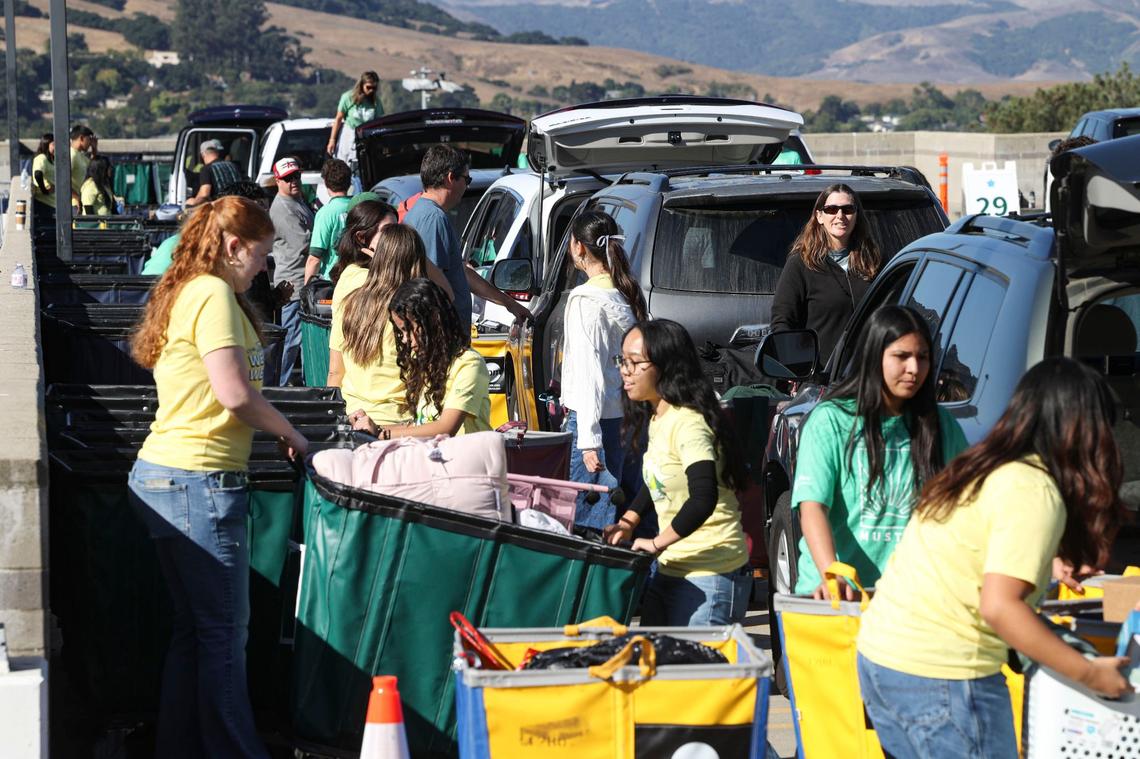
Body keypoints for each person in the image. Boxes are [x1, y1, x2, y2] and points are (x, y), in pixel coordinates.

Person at [856, 358, 1133, 758]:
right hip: (944, 676)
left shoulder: (980, 468)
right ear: (1080, 432)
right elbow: (1000, 607)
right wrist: (1092, 675)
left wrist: (1052, 559)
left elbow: (969, 556)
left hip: (883, 661)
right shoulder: (1034, 488)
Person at [127, 195, 309, 758]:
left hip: (166, 476)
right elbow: (234, 394)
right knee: (225, 636)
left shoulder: (193, 289)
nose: (264, 266)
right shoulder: (210, 295)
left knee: (196, 633)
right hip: (197, 481)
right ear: (233, 247)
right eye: (259, 253)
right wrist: (293, 434)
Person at [791, 305, 967, 600]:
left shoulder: (940, 425)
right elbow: (812, 507)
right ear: (874, 358)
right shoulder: (830, 420)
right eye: (901, 356)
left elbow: (970, 506)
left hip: (910, 600)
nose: (914, 368)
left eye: (922, 357)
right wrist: (830, 571)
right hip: (836, 600)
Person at [604, 319, 752, 626]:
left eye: (635, 362)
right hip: (673, 567)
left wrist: (656, 543)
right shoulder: (660, 414)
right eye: (622, 361)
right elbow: (657, 479)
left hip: (711, 573)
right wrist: (629, 521)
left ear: (666, 365)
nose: (625, 370)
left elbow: (703, 497)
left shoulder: (689, 423)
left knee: (695, 674)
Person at [560, 210, 649, 529]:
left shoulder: (585, 300)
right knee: (631, 518)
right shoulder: (625, 292)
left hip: (596, 421)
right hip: (631, 417)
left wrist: (588, 440)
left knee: (593, 526)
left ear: (578, 247)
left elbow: (590, 374)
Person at [404, 144, 530, 332]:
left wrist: (508, 303)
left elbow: (461, 272)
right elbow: (431, 287)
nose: (466, 185)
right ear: (450, 178)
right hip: (443, 338)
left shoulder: (422, 214)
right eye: (466, 179)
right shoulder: (434, 219)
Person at [350, 277, 491, 439]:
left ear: (432, 322)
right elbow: (419, 426)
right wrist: (368, 427)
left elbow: (446, 428)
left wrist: (382, 434)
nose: (404, 339)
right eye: (400, 331)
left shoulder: (469, 364)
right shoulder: (429, 364)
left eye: (407, 329)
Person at [770, 184, 881, 364]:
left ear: (857, 215)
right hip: (820, 377)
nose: (840, 216)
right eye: (831, 209)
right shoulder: (801, 264)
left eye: (848, 209)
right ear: (819, 216)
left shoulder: (874, 261)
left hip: (868, 372)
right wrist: (794, 364)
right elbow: (782, 322)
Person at [335, 224, 429, 426]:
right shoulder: (413, 311)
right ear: (416, 262)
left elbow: (336, 368)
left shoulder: (350, 303)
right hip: (399, 423)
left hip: (353, 417)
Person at [326, 200, 398, 387]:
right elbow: (336, 366)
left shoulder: (356, 274)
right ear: (361, 237)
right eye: (388, 231)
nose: (396, 238)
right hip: (379, 405)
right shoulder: (360, 279)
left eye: (398, 231)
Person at [268, 156, 315, 385]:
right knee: (291, 341)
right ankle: (279, 386)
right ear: (277, 180)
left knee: (300, 340)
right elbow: (304, 244)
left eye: (296, 175)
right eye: (287, 178)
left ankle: (293, 383)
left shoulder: (297, 199)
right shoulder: (282, 208)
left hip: (301, 280)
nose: (293, 181)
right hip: (293, 284)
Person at [305, 159, 353, 283]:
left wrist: (306, 291)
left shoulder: (325, 213)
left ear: (326, 183)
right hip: (360, 278)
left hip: (334, 281)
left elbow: (315, 258)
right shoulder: (360, 206)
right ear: (349, 182)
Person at [327, 71, 381, 165]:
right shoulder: (348, 97)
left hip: (366, 137)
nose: (371, 90)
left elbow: (379, 121)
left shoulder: (376, 101)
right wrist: (332, 140)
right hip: (349, 135)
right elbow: (338, 119)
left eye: (374, 88)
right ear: (362, 85)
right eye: (368, 87)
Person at [187, 139, 244, 208]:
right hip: (239, 205)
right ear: (217, 152)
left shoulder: (207, 169)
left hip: (222, 208)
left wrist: (193, 202)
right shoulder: (233, 165)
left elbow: (204, 194)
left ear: (203, 154)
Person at [31, 133, 55, 219]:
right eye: (53, 144)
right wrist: (44, 190)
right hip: (45, 204)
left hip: (52, 203)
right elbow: (37, 174)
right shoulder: (41, 158)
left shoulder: (51, 159)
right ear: (46, 145)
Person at [68, 124, 94, 201]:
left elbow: (94, 167)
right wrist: (77, 198)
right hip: (74, 204)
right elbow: (64, 181)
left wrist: (94, 150)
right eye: (89, 140)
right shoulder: (72, 155)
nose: (90, 143)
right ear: (82, 138)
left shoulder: (80, 155)